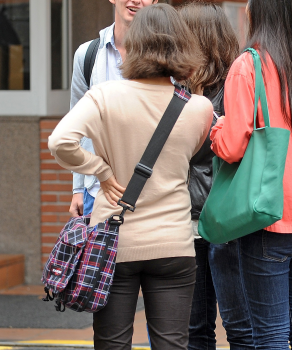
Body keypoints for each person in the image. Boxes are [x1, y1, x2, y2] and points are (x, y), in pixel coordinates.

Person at [48, 5, 213, 349]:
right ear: (182, 45)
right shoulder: (199, 108)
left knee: (112, 342)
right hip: (174, 243)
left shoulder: (105, 96)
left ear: (134, 45)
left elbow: (60, 142)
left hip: (114, 242)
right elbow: (193, 155)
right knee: (173, 343)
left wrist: (101, 171)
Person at [210, 0, 292, 347]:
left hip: (272, 216)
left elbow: (232, 147)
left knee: (270, 333)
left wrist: (216, 129)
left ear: (263, 11)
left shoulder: (248, 67)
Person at [178, 3, 255, 350]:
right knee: (194, 328)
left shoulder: (236, 87)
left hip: (225, 221)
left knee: (240, 326)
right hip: (187, 221)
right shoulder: (173, 88)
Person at [67, 0, 159, 218]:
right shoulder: (87, 55)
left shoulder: (165, 56)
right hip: (97, 191)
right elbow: (77, 127)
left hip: (150, 193)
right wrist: (78, 188)